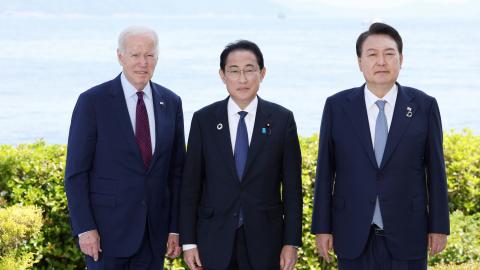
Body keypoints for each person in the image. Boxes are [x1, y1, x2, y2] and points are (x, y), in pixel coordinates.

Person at [311, 22, 450, 270]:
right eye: (372, 54)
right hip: (352, 231)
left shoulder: (424, 106)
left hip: (409, 231)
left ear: (401, 58)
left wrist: (439, 226)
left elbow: (436, 172)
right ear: (360, 62)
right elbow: (325, 172)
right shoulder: (337, 106)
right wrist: (322, 227)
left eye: (389, 53)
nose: (381, 62)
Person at [64, 26, 185, 269]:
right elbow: (76, 173)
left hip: (154, 236)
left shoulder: (171, 102)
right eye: (135, 55)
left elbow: (177, 173)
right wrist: (85, 228)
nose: (143, 62)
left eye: (149, 55)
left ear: (157, 58)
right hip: (105, 236)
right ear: (120, 56)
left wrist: (175, 229)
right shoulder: (93, 102)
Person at [179, 40, 303, 270]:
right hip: (213, 239)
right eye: (234, 71)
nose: (242, 79)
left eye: (249, 70)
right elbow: (190, 187)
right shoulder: (203, 120)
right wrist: (189, 242)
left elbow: (293, 188)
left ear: (262, 73)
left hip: (266, 240)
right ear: (222, 75)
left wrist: (291, 242)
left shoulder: (282, 119)